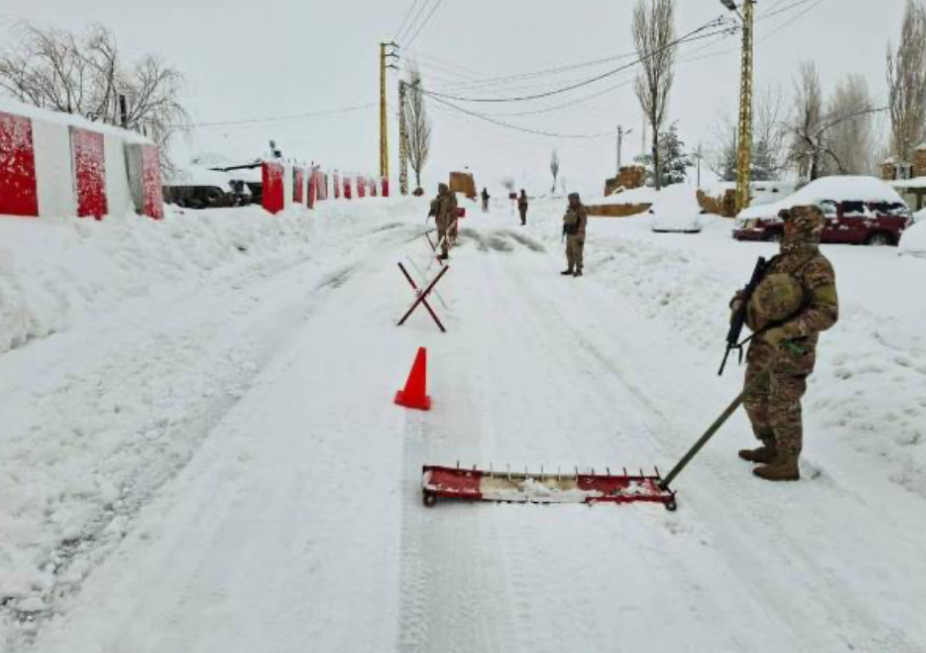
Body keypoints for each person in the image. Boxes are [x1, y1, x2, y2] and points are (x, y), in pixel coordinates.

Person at [733, 205, 839, 481]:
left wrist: (785, 332)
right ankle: (772, 448)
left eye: (789, 224)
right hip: (762, 345)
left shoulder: (817, 266)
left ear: (801, 228)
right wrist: (741, 302)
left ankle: (787, 463)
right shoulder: (780, 261)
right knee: (754, 399)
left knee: (783, 405)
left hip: (792, 351)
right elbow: (762, 294)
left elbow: (827, 312)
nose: (785, 229)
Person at [561, 193, 588, 277]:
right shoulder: (570, 207)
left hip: (577, 234)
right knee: (569, 252)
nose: (570, 200)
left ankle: (579, 270)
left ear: (576, 199)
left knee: (577, 253)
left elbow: (583, 221)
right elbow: (567, 218)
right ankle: (570, 269)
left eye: (571, 199)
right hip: (570, 233)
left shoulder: (581, 208)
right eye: (569, 199)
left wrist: (580, 234)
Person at [430, 183, 458, 261]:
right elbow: (439, 209)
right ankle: (444, 253)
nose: (439, 190)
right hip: (441, 221)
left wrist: (448, 222)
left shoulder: (448, 198)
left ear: (444, 189)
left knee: (444, 238)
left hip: (445, 221)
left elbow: (449, 211)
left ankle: (445, 254)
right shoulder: (442, 197)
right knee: (441, 237)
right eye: (439, 189)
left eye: (440, 189)